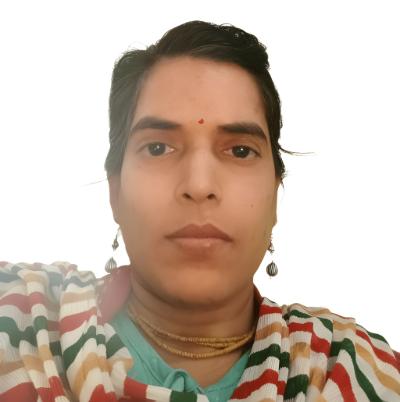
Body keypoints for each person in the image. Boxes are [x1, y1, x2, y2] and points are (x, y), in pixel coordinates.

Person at [1, 20, 399, 402]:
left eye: (240, 150)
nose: (199, 185)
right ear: (115, 190)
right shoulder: (19, 323)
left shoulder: (353, 371)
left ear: (275, 194)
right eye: (158, 148)